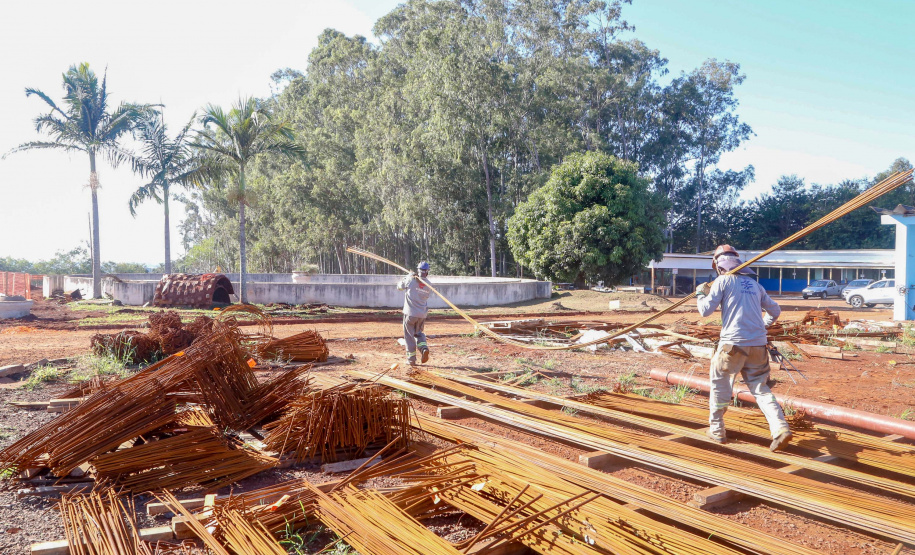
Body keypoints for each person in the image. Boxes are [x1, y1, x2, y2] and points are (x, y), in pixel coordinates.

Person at [696, 245, 792, 452]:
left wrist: (700, 294)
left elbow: (705, 311)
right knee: (760, 388)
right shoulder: (755, 285)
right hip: (758, 345)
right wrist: (761, 327)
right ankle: (780, 427)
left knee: (720, 384)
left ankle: (717, 430)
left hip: (732, 345)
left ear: (718, 266)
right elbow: (775, 310)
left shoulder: (722, 281)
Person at [397, 261, 432, 366]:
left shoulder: (410, 280)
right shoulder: (429, 284)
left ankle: (411, 359)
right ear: (427, 272)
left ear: (418, 270)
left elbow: (399, 287)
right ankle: (423, 348)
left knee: (409, 336)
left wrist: (407, 277)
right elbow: (420, 287)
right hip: (422, 315)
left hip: (410, 314)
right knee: (419, 334)